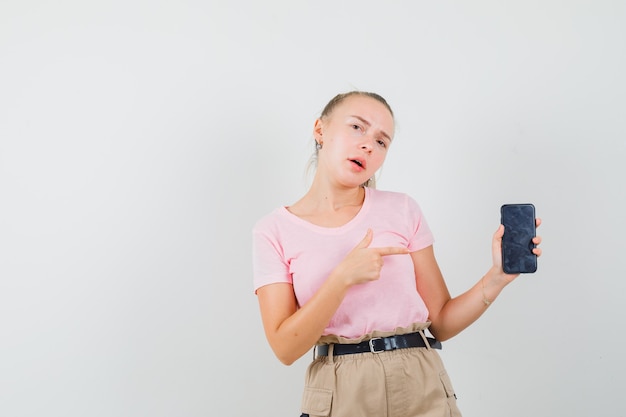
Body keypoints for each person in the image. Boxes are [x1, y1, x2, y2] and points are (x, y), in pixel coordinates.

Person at [252, 91, 543, 417]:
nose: (368, 145)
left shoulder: (402, 209)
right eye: (357, 127)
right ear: (320, 130)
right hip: (339, 389)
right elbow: (285, 348)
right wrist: (342, 278)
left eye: (381, 141)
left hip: (419, 379)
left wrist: (496, 278)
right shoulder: (273, 230)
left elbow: (442, 323)